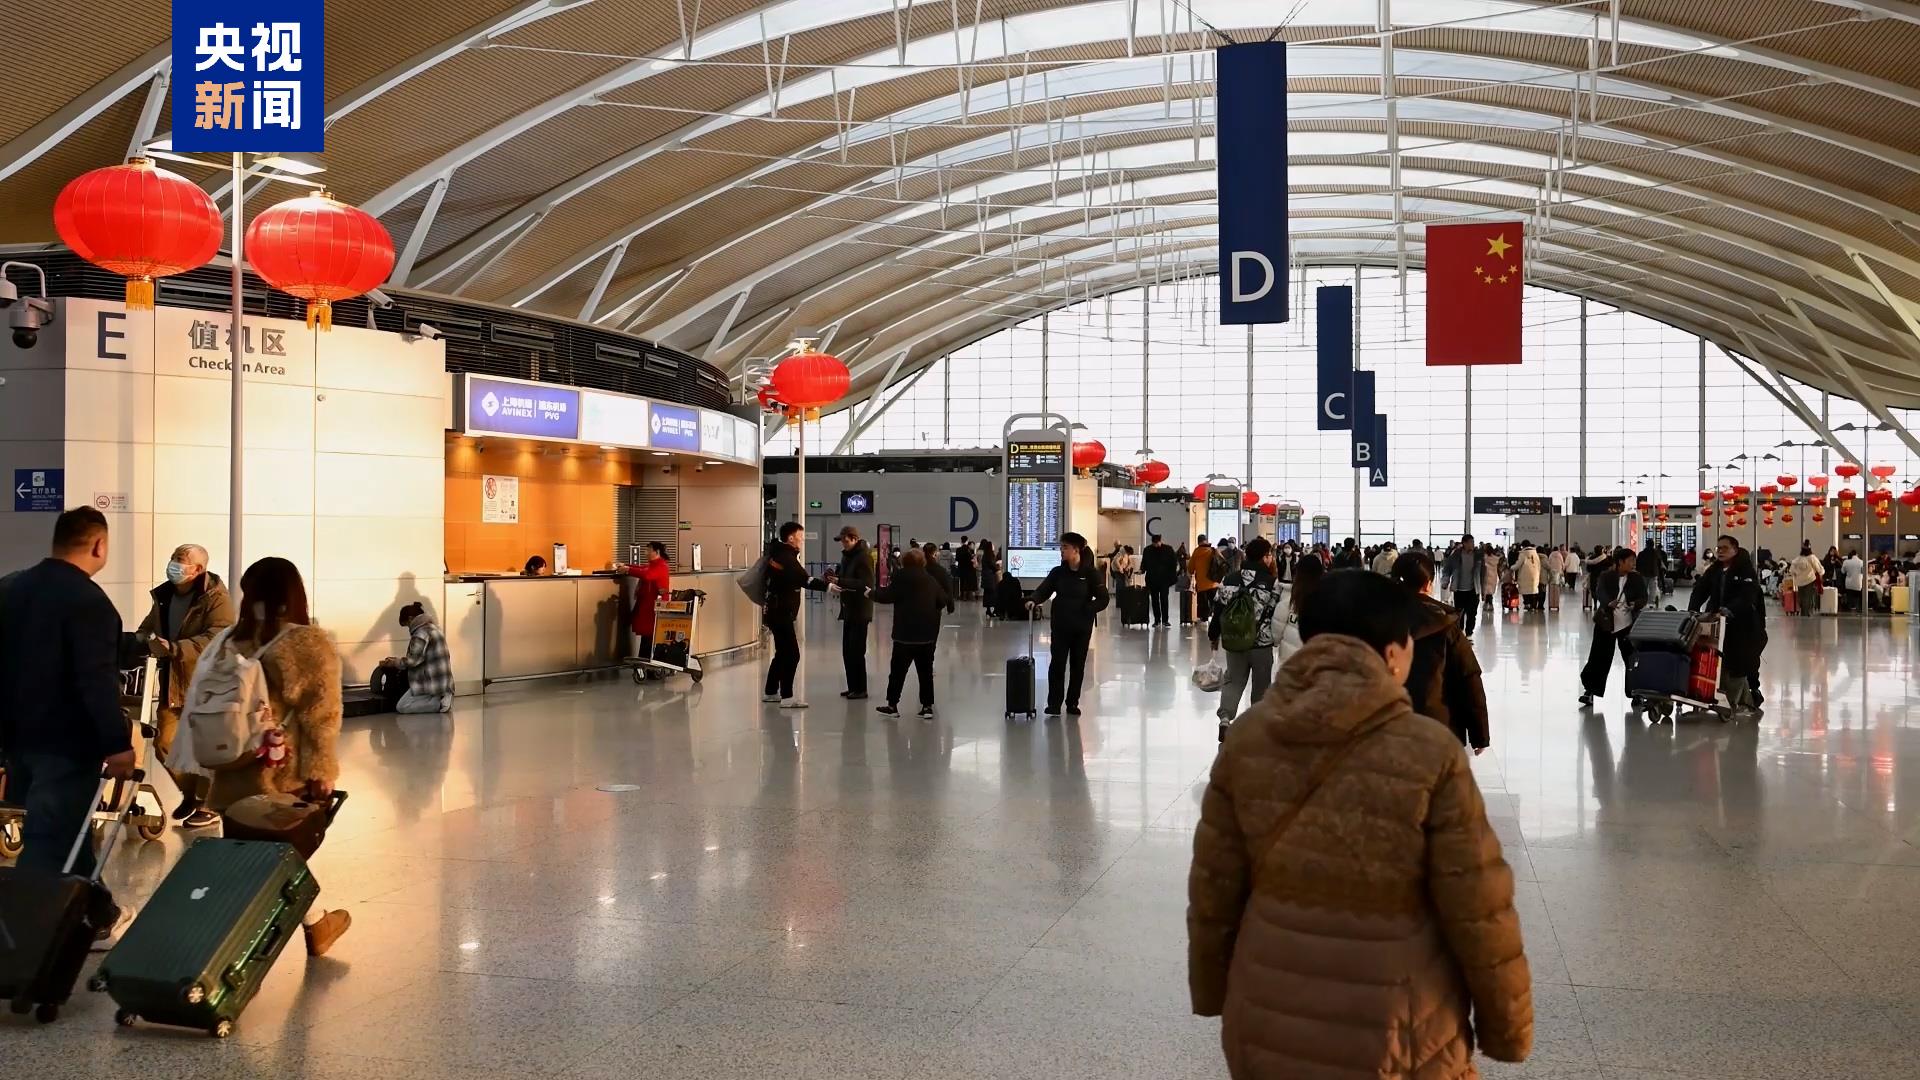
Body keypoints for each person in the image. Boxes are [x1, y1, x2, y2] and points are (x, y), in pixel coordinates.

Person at [1187, 569, 1532, 1078]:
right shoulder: (1429, 752)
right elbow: (1478, 904)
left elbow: (1215, 887)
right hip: (1399, 1030)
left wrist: (1211, 988)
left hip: (1268, 1016)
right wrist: (1507, 1027)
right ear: (1393, 653)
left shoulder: (1248, 739)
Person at [196, 557, 351, 956]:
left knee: (255, 856)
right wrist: (321, 770)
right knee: (279, 856)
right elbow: (321, 713)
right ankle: (242, 946)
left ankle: (316, 924)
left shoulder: (229, 640)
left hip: (232, 770)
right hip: (279, 771)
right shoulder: (303, 642)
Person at [0, 508, 139, 944]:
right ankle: (18, 939)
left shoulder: (11, 589)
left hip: (16, 739)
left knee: (66, 829)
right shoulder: (89, 603)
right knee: (49, 839)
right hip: (66, 743)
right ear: (99, 545)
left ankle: (100, 913)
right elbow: (95, 680)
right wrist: (117, 743)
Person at [134, 542, 234, 829]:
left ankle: (209, 804)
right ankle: (194, 796)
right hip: (173, 682)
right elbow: (148, 626)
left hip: (205, 683)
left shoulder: (215, 598)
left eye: (180, 559)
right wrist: (143, 639)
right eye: (173, 557)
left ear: (198, 569)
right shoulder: (164, 595)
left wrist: (176, 648)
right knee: (164, 744)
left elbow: (217, 637)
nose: (173, 564)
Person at [1391, 551, 1491, 754]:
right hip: (1438, 726)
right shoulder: (1444, 624)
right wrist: (1479, 733)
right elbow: (1468, 677)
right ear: (1428, 584)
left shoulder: (1373, 623)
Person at [1028, 532, 1110, 718]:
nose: (1061, 551)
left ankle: (1072, 702)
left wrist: (1089, 609)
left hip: (1081, 628)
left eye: (1065, 547)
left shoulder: (1090, 574)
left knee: (1077, 666)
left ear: (1076, 550)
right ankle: (1054, 704)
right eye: (1061, 547)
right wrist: (1033, 599)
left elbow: (1103, 599)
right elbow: (1044, 590)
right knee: (1057, 664)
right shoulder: (1058, 572)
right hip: (1060, 626)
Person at [1209, 537, 1284, 741]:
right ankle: (1256, 725)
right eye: (1269, 555)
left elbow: (1218, 609)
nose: (1271, 558)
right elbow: (1276, 614)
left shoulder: (1230, 579)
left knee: (1233, 680)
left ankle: (1225, 720)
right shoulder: (1272, 583)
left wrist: (1214, 634)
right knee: (1261, 684)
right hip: (1261, 644)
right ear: (1264, 557)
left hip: (1235, 640)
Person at [866, 548, 950, 719]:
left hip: (904, 634)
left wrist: (870, 594)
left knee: (897, 672)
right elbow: (942, 600)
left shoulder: (900, 577)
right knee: (925, 673)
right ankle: (927, 707)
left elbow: (887, 596)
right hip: (926, 635)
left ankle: (892, 705)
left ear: (905, 561)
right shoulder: (930, 579)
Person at [1690, 535, 1768, 713]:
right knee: (1716, 658)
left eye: (1725, 548)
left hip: (1744, 626)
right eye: (1718, 548)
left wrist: (1728, 609)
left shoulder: (1746, 571)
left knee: (1741, 662)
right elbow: (1701, 589)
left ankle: (1746, 698)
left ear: (1735, 549)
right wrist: (1693, 609)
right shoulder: (1715, 570)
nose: (1720, 551)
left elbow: (1747, 597)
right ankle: (1724, 697)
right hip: (1718, 623)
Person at [808, 527, 874, 699]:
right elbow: (842, 576)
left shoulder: (864, 557)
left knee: (857, 652)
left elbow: (866, 583)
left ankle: (861, 689)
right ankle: (852, 686)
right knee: (847, 651)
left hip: (860, 610)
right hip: (848, 609)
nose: (843, 544)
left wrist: (841, 581)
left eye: (845, 540)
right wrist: (833, 577)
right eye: (841, 541)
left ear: (854, 539)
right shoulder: (846, 557)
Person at [1579, 548, 1648, 707]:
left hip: (1628, 626)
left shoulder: (1636, 578)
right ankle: (1590, 691)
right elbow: (1600, 591)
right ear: (1620, 562)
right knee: (1598, 658)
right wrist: (1608, 602)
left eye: (1634, 560)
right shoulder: (1606, 576)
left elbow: (1643, 597)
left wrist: (1635, 604)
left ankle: (1636, 692)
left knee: (1632, 659)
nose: (1633, 563)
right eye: (1630, 560)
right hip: (1606, 623)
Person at [760, 522, 812, 708]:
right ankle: (787, 697)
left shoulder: (778, 553)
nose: (802, 539)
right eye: (800, 536)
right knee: (792, 655)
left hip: (776, 611)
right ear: (791, 538)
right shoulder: (786, 557)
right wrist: (829, 586)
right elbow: (804, 579)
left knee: (782, 653)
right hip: (781, 612)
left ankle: (771, 691)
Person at [394, 601, 453, 714]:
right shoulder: (434, 628)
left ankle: (439, 704)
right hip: (442, 681)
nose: (409, 628)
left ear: (411, 619)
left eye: (407, 625)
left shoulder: (421, 633)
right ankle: (441, 697)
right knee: (406, 702)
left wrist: (396, 662)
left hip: (432, 683)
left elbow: (412, 661)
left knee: (402, 707)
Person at [625, 541, 672, 659]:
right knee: (647, 635)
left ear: (657, 552)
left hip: (655, 607)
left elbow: (647, 574)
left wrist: (628, 569)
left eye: (648, 550)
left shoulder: (661, 566)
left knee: (651, 635)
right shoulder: (653, 565)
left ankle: (648, 661)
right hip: (649, 605)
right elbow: (642, 568)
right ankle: (644, 660)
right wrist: (626, 566)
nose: (646, 553)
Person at [1442, 535, 1482, 634]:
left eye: (1473, 542)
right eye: (1470, 542)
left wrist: (1484, 590)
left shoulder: (1478, 556)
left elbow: (1483, 573)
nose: (1472, 544)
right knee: (1459, 613)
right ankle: (1460, 632)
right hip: (1459, 589)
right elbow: (1447, 569)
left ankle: (1469, 633)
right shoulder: (1455, 555)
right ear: (1464, 543)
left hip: (1473, 589)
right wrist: (1445, 581)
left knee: (1472, 613)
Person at [1141, 533, 1179, 627]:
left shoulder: (1150, 550)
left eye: (1157, 543)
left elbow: (1174, 563)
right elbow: (1144, 563)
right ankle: (1159, 620)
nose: (1156, 545)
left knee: (1162, 599)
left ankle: (1163, 620)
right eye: (1155, 543)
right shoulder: (1166, 549)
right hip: (1158, 580)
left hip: (1160, 580)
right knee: (1157, 600)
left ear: (1160, 541)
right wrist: (1142, 570)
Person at [920, 542, 957, 614]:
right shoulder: (940, 570)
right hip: (935, 604)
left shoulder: (919, 569)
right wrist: (950, 606)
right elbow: (948, 588)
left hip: (920, 603)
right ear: (934, 553)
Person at [1190, 535, 1219, 623]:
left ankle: (1204, 618)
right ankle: (1216, 617)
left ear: (1198, 542)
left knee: (1203, 603)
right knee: (1215, 602)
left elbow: (1190, 568)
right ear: (1206, 540)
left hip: (1201, 583)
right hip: (1213, 582)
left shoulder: (1196, 552)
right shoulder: (1213, 550)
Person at [1514, 542, 1543, 611]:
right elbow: (1539, 565)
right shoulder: (1535, 553)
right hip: (1535, 575)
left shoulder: (1523, 554)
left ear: (1523, 546)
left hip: (1525, 575)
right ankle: (1533, 605)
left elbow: (1518, 564)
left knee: (1525, 590)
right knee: (1532, 590)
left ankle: (1527, 604)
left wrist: (1512, 568)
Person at [978, 540, 1000, 616]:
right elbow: (992, 565)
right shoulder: (990, 555)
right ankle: (995, 610)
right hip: (990, 577)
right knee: (993, 593)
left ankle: (988, 610)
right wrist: (997, 568)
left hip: (985, 577)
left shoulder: (985, 555)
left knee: (987, 594)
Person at [1841, 548, 1866, 612]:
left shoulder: (1846, 562)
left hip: (1849, 584)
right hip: (1858, 583)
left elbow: (1842, 571)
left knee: (1849, 596)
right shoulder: (1861, 562)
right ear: (1856, 555)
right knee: (1858, 596)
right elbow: (1863, 572)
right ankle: (1858, 607)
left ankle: (1849, 608)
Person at [1481, 543, 1503, 614]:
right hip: (1493, 576)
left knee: (1486, 590)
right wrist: (1500, 577)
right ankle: (1490, 604)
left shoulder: (1484, 558)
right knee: (1490, 591)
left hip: (1486, 575)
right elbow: (1499, 567)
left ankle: (1486, 604)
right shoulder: (1495, 559)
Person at [955, 536, 978, 601]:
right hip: (969, 569)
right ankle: (969, 596)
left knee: (962, 582)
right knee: (968, 582)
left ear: (961, 541)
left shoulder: (958, 549)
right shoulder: (969, 549)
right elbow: (971, 559)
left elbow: (957, 559)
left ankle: (962, 596)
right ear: (967, 541)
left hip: (961, 568)